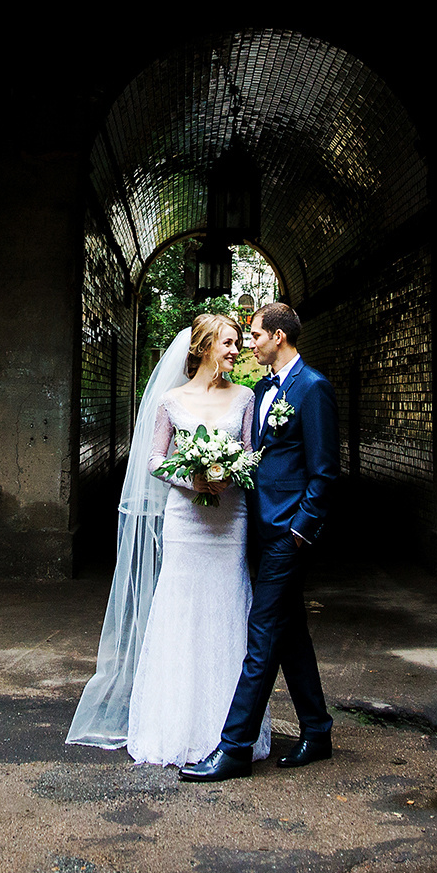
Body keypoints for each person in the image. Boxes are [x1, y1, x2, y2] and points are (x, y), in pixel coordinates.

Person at [65, 312, 272, 767]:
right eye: (228, 342)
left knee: (227, 604)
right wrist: (191, 479)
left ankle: (228, 730)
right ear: (204, 347)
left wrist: (231, 474)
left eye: (239, 341)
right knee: (181, 607)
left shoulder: (245, 397)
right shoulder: (171, 400)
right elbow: (155, 460)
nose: (236, 350)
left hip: (230, 519)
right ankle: (173, 725)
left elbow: (251, 454)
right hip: (184, 520)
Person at [179, 301, 337, 781]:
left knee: (263, 633)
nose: (250, 343)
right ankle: (317, 730)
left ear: (278, 337)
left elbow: (324, 471)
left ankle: (234, 748)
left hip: (288, 534)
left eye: (255, 335)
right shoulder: (265, 389)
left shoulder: (312, 388)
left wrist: (300, 531)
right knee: (290, 632)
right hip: (260, 529)